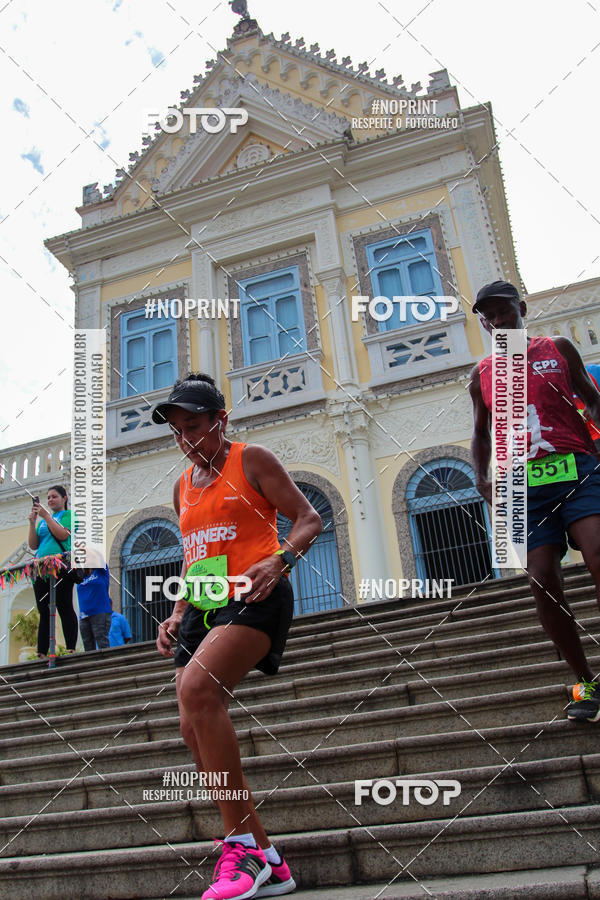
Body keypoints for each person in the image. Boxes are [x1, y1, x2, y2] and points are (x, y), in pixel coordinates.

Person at [153, 373, 322, 900]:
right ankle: (268, 857)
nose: (186, 440)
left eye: (195, 427)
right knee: (191, 729)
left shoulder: (252, 459)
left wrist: (281, 559)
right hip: (202, 606)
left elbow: (308, 519)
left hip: (254, 595)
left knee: (198, 691)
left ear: (220, 421)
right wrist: (177, 610)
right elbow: (196, 554)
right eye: (177, 432)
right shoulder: (182, 485)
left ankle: (240, 850)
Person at [470, 280, 600, 722]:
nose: (497, 320)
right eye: (488, 316)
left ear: (520, 307)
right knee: (541, 578)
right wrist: (482, 478)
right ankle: (586, 682)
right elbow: (480, 434)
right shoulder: (481, 373)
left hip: (577, 469)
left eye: (503, 310)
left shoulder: (558, 348)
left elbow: (592, 399)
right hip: (521, 486)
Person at [27, 485, 78, 657]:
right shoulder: (42, 522)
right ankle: (42, 651)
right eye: (48, 497)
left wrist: (47, 516)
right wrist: (33, 522)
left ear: (64, 498)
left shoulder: (69, 515)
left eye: (54, 496)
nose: (50, 500)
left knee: (64, 606)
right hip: (41, 568)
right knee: (44, 610)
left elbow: (63, 535)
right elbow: (34, 545)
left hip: (60, 567)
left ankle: (71, 647)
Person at [77, 565, 112, 651]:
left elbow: (98, 556)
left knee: (102, 643)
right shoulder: (82, 576)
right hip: (84, 616)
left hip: (100, 613)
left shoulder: (101, 572)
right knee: (88, 647)